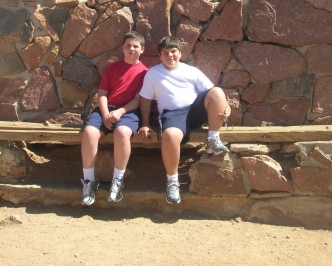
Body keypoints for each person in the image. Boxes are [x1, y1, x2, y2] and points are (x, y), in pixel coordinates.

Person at [138, 35, 231, 205]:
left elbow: (213, 94)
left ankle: (213, 140)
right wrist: (144, 123)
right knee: (170, 136)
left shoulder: (191, 71)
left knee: (217, 91)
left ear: (180, 53)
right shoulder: (153, 73)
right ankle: (173, 183)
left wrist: (227, 108)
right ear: (160, 56)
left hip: (194, 111)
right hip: (172, 115)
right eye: (165, 53)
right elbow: (144, 99)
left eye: (173, 51)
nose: (170, 55)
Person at [81, 31, 148, 206]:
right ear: (122, 48)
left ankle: (117, 181)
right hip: (106, 109)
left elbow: (138, 100)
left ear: (142, 49)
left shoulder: (145, 73)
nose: (131, 49)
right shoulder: (111, 68)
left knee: (122, 133)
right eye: (128, 46)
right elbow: (102, 94)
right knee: (89, 132)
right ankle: (89, 181)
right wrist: (105, 114)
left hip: (129, 111)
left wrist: (119, 112)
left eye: (135, 46)